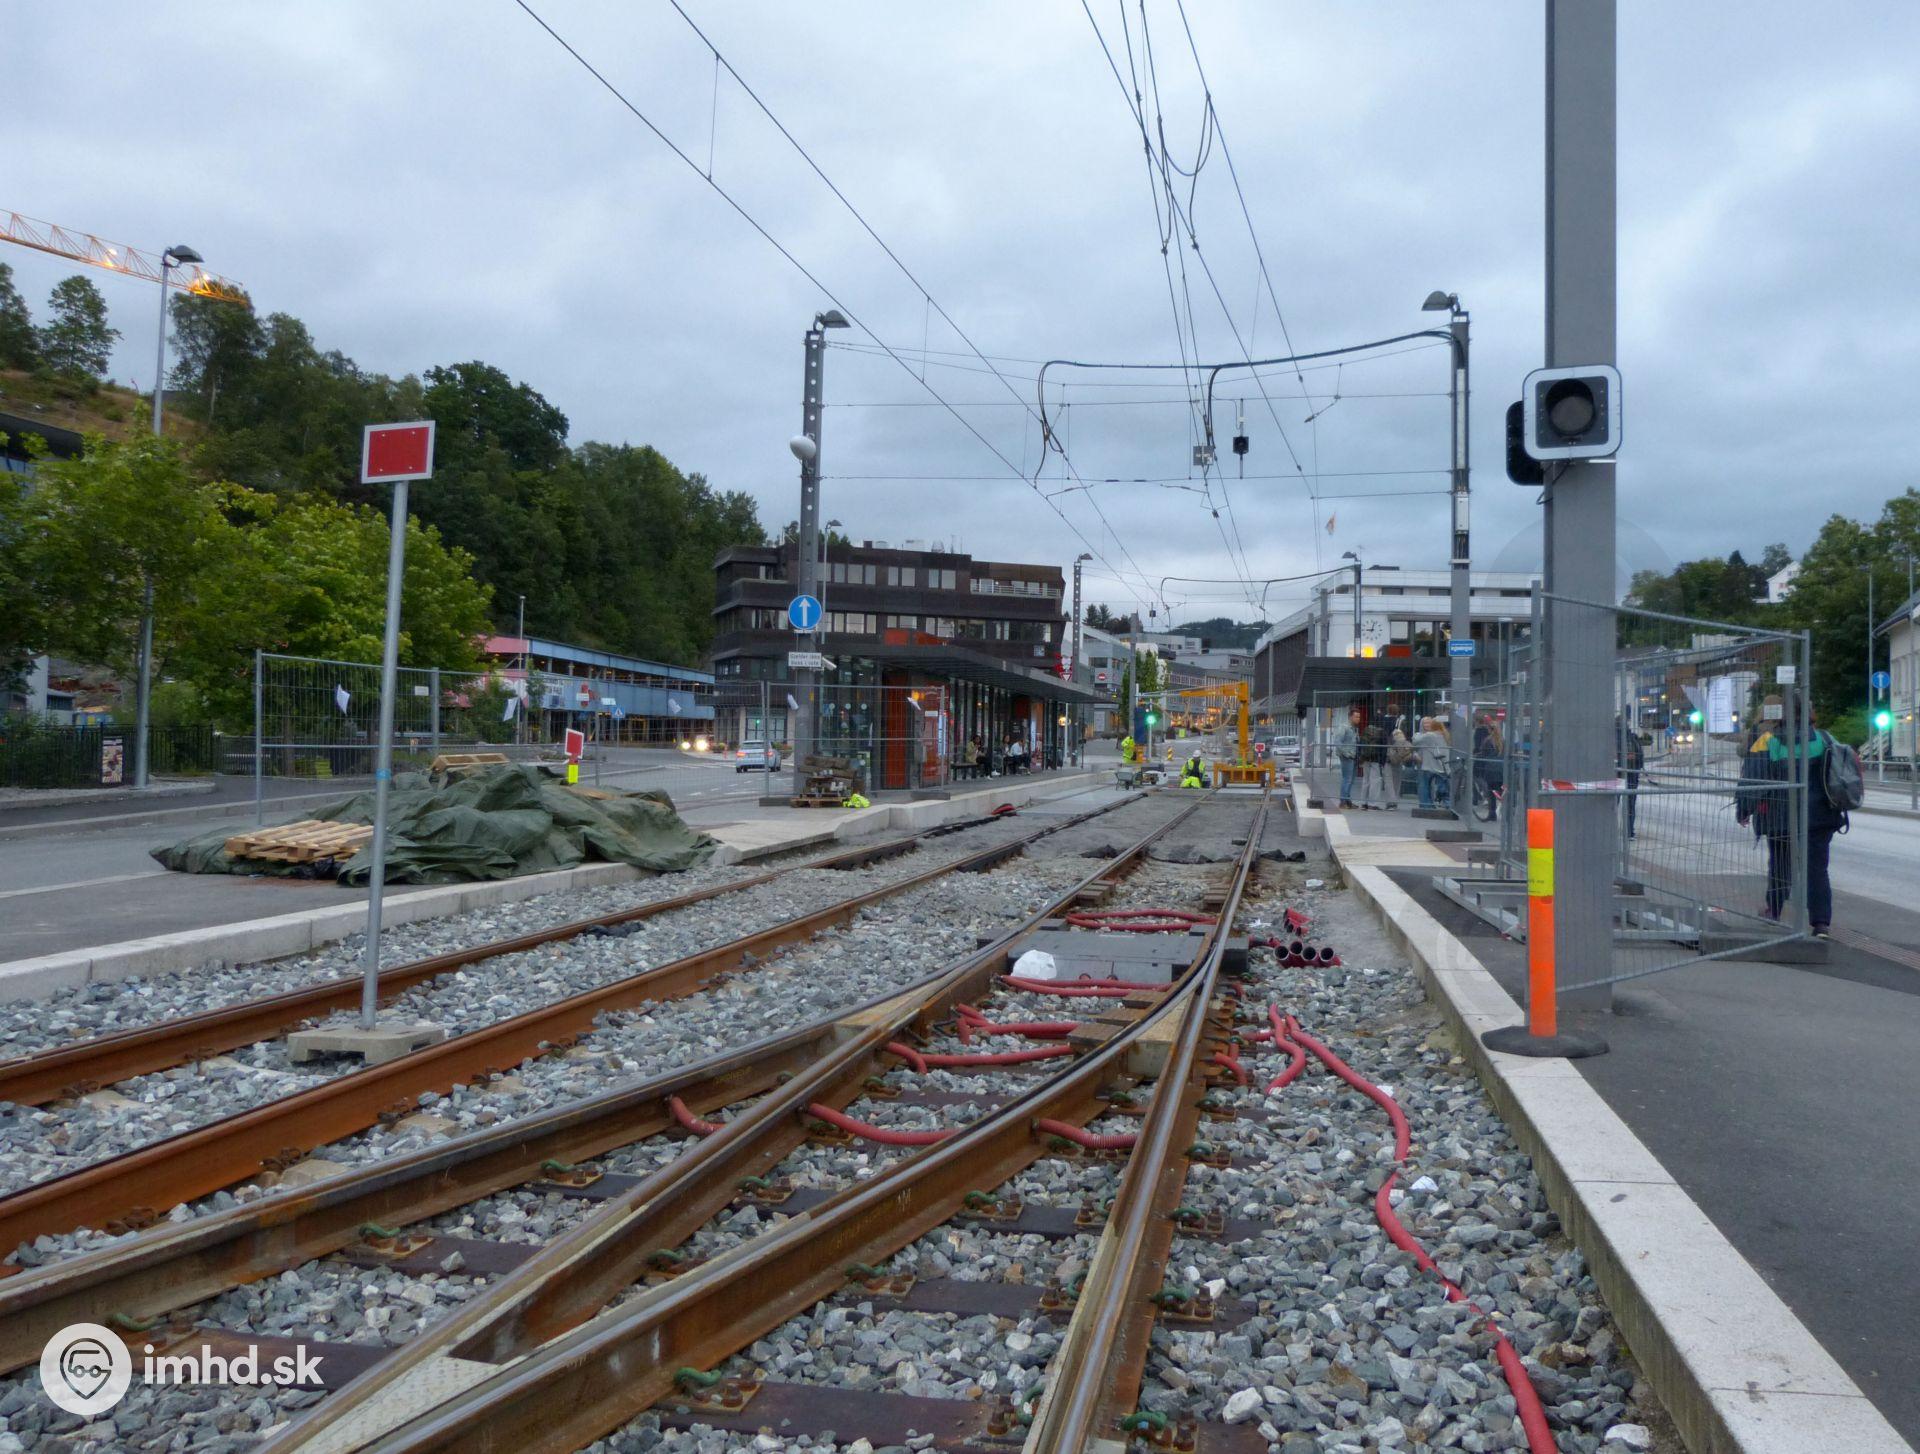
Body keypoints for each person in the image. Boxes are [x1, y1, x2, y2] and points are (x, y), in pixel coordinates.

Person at [1737, 699, 1844, 938]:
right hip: (1819, 817)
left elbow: (1753, 779)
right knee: (1817, 869)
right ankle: (1821, 923)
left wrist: (1744, 809)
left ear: (1780, 714)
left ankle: (1774, 911)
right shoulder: (1825, 739)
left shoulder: (1768, 741)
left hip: (1780, 816)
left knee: (1779, 864)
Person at [1616, 714, 1645, 839]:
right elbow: (1640, 756)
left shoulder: (1611, 738)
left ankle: (1611, 830)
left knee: (1613, 804)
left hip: (1617, 776)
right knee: (1630, 804)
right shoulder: (1632, 738)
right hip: (1631, 774)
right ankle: (1629, 832)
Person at [1473, 714, 1505, 822]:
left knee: (1491, 791)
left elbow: (1483, 754)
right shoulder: (1503, 741)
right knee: (1502, 790)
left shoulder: (1487, 740)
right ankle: (1506, 812)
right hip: (1502, 769)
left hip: (1490, 769)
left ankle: (1492, 813)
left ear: (1489, 729)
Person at [1414, 717, 1451, 809]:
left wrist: (1417, 734)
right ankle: (1448, 804)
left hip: (1429, 765)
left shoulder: (1429, 735)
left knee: (1425, 786)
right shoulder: (1445, 734)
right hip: (1443, 765)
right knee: (1443, 786)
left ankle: (1426, 806)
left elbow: (1416, 741)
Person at [1334, 709, 1361, 808]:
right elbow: (1337, 742)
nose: (1358, 719)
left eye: (1359, 717)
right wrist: (1346, 754)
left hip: (1354, 756)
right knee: (1347, 779)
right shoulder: (1344, 727)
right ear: (1350, 717)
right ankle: (1343, 801)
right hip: (1347, 756)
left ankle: (1347, 800)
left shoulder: (1354, 729)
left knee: (1351, 780)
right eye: (1356, 717)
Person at [1385, 718, 1413, 811]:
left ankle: (1391, 803)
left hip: (1389, 763)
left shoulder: (1391, 741)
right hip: (1399, 763)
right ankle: (1394, 802)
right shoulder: (1406, 742)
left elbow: (1389, 753)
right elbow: (1409, 753)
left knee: (1389, 783)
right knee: (1396, 784)